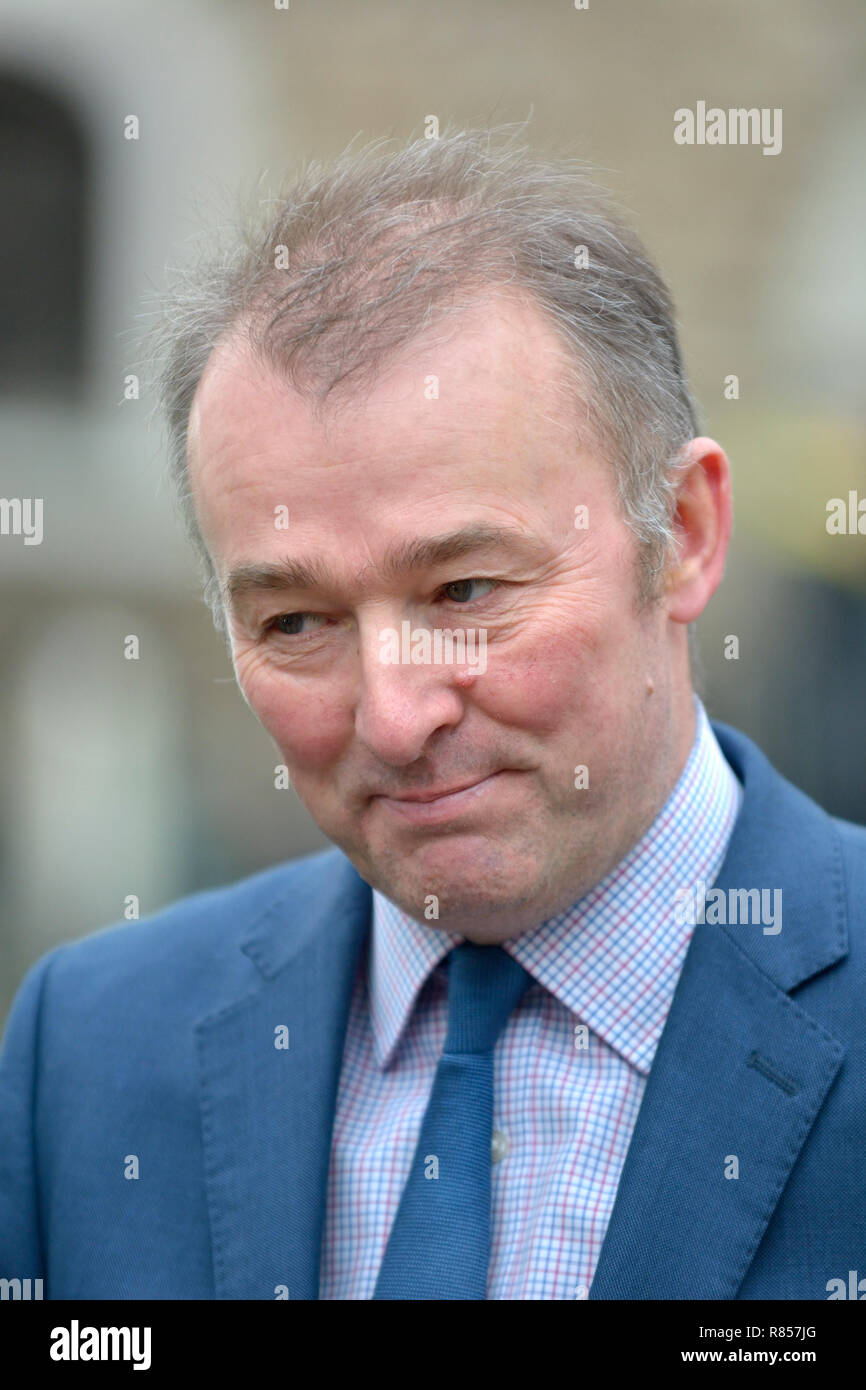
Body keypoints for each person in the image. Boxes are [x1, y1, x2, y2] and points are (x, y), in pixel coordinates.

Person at [1, 127, 864, 1301]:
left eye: (465, 592)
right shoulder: (90, 1054)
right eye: (296, 623)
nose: (395, 717)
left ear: (684, 536)